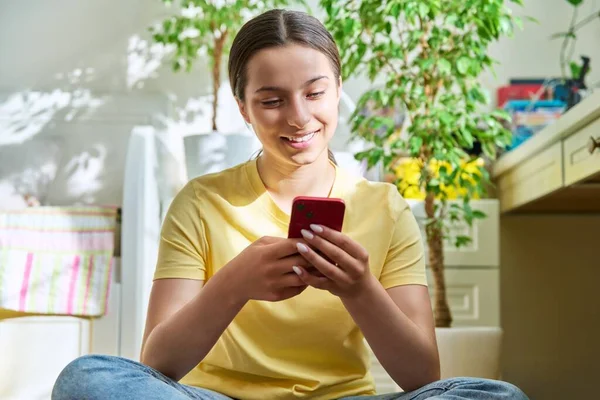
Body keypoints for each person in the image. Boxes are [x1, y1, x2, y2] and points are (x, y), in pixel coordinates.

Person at [52, 9, 528, 400]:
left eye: (315, 93)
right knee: (87, 381)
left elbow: (422, 376)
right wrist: (234, 283)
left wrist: (360, 289)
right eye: (272, 100)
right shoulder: (200, 202)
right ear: (244, 108)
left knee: (497, 397)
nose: (299, 117)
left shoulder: (385, 208)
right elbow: (158, 366)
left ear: (339, 91)